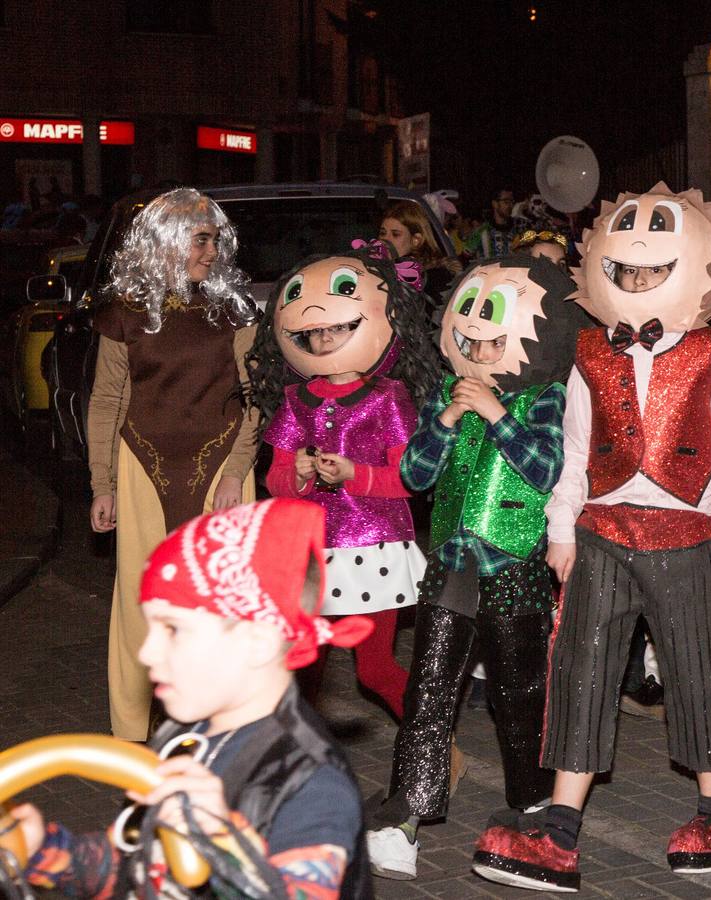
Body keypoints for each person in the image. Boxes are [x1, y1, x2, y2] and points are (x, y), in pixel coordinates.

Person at [471, 184, 711, 892]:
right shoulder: (590, 350)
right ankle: (559, 831)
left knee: (696, 669)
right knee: (581, 670)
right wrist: (561, 530)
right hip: (602, 532)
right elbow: (575, 450)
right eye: (628, 271)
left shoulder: (710, 348)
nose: (640, 281)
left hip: (681, 533)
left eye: (652, 270)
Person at [12, 499, 373, 898]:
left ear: (258, 642)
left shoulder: (311, 782)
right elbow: (138, 867)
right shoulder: (180, 736)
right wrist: (50, 853)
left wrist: (219, 841)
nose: (146, 652)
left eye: (173, 629)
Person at [365, 253, 589, 881]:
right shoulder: (446, 392)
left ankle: (533, 803)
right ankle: (406, 817)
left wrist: (496, 415)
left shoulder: (546, 397)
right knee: (429, 688)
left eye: (496, 340)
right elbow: (412, 474)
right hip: (453, 564)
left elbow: (548, 471)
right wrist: (447, 418)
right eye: (472, 339)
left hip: (514, 561)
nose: (482, 349)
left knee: (520, 692)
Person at [87, 187, 259, 742]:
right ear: (167, 241)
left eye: (215, 239)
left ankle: (223, 727)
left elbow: (256, 397)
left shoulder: (234, 310)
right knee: (142, 604)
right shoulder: (125, 315)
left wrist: (236, 469)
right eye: (201, 239)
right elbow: (107, 401)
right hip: (142, 469)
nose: (213, 251)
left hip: (221, 476)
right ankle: (133, 733)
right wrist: (103, 484)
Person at [245, 241, 441, 721]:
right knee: (301, 667)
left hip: (374, 551)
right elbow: (276, 480)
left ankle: (432, 745)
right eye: (316, 333)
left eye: (337, 328)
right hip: (309, 554)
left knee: (373, 671)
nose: (325, 338)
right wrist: (302, 474)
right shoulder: (295, 400)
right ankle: (297, 765)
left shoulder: (389, 397)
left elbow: (408, 480)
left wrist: (356, 475)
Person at [377, 199, 459, 307]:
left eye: (395, 234)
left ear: (416, 240)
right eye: (383, 233)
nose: (385, 240)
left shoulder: (434, 279)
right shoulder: (377, 268)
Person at [469, 188, 516, 259]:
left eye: (512, 201)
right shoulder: (481, 231)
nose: (510, 205)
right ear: (495, 204)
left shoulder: (520, 226)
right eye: (506, 202)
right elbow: (465, 256)